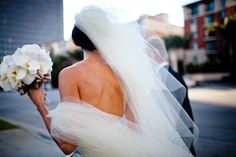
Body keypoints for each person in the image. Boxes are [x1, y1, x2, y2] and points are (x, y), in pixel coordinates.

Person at [28, 6, 198, 157]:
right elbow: (134, 129)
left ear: (77, 37)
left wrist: (40, 105)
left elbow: (67, 146)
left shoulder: (69, 74)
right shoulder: (126, 72)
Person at [146, 36, 196, 156]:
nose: (146, 59)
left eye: (146, 53)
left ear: (154, 52)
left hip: (179, 143)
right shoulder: (169, 74)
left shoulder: (167, 78)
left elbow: (172, 117)